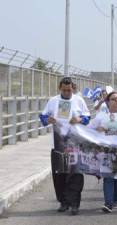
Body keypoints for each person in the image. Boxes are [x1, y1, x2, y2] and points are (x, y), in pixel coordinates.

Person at [39, 77, 90, 215]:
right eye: (64, 90)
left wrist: (79, 119)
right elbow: (42, 116)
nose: (67, 92)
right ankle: (63, 202)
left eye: (69, 90)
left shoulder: (79, 100)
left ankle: (75, 204)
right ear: (60, 88)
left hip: (75, 143)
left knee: (76, 174)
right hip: (58, 143)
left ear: (73, 88)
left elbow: (87, 117)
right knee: (60, 174)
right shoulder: (53, 101)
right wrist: (47, 119)